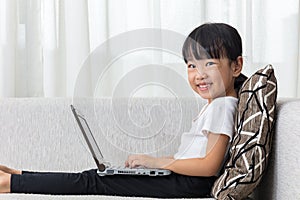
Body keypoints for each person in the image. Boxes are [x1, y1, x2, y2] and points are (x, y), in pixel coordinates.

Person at [0, 23, 246, 198]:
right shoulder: (216, 104)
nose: (199, 74)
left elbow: (209, 167)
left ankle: (12, 182)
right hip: (182, 180)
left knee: (93, 180)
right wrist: (158, 164)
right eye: (192, 65)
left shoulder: (223, 106)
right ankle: (19, 174)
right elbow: (198, 159)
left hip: (188, 185)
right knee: (96, 176)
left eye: (210, 63)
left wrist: (159, 162)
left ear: (236, 66)